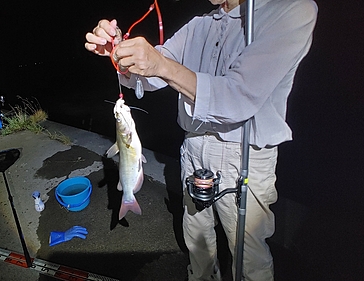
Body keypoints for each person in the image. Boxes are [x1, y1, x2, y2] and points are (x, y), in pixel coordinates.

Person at [85, 0, 317, 280]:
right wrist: (120, 55)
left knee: (248, 253)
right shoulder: (200, 24)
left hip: (244, 153)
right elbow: (149, 76)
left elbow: (237, 97)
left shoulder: (293, 10)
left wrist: (161, 65)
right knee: (197, 238)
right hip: (193, 146)